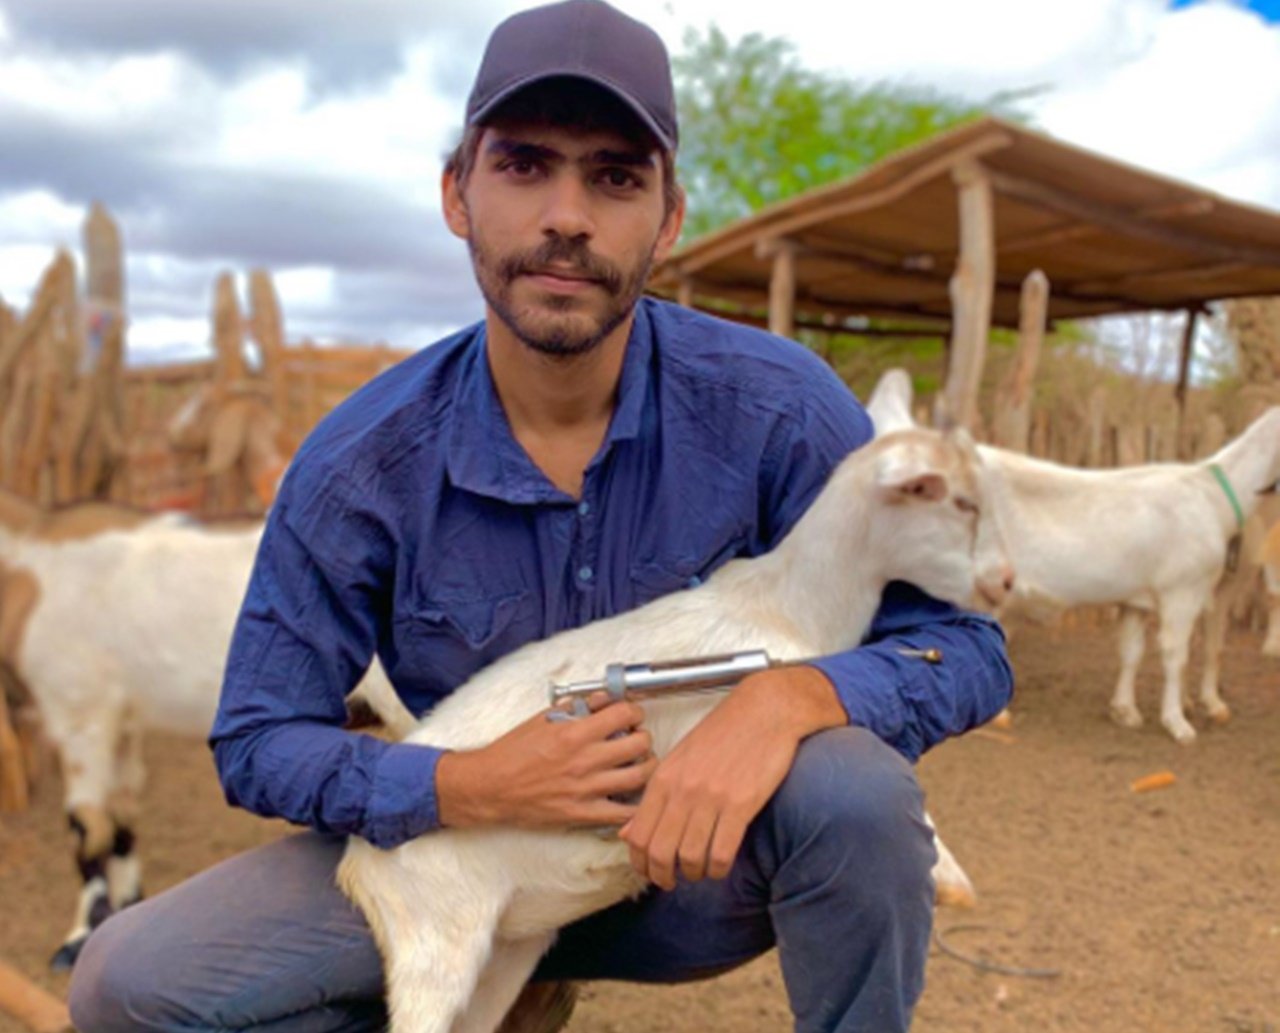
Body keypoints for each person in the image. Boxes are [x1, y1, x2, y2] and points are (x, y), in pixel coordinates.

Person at [68, 2, 1013, 1031]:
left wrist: (784, 702)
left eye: (614, 176)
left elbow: (961, 648)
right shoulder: (357, 464)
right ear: (455, 195)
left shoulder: (780, 409)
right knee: (130, 985)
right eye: (523, 165)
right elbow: (257, 736)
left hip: (689, 867)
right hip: (466, 861)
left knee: (856, 796)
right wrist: (466, 784)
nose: (567, 215)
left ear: (668, 218)